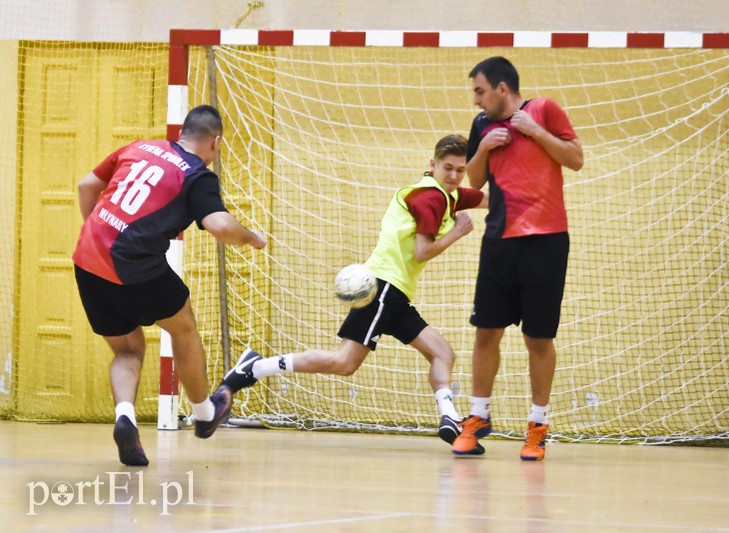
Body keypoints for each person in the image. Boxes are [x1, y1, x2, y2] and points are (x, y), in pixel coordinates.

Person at [216, 134, 488, 450]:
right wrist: (457, 232)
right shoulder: (431, 198)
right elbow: (421, 252)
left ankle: (449, 417)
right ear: (433, 165)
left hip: (395, 295)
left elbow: (486, 199)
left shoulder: (446, 194)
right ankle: (254, 367)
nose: (454, 176)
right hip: (384, 287)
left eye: (460, 170)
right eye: (448, 168)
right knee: (343, 363)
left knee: (442, 353)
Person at [73, 105, 267, 466]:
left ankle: (125, 417)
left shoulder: (139, 147)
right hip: (133, 264)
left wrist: (98, 234)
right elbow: (221, 227)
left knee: (127, 350)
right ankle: (204, 412)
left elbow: (87, 185)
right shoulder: (197, 175)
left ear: (182, 132)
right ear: (216, 142)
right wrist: (252, 237)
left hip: (87, 258)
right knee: (183, 327)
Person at [451, 57, 583, 460]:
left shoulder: (544, 110)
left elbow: (575, 159)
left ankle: (538, 424)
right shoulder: (480, 126)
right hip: (499, 239)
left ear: (502, 88)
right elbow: (474, 180)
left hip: (546, 240)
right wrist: (485, 149)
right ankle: (478, 416)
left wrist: (535, 131)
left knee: (537, 337)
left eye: (479, 91)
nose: (476, 100)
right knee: (486, 331)